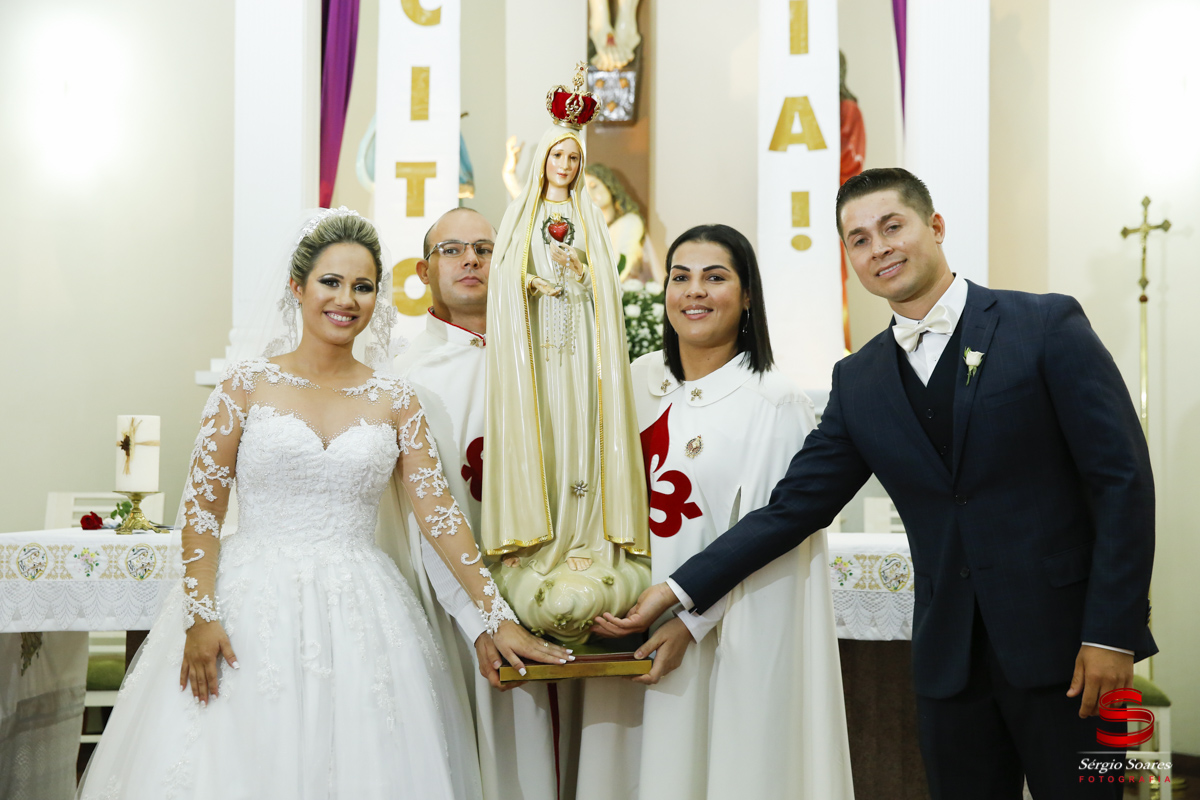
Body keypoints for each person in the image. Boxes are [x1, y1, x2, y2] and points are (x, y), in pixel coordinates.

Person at [602, 169, 1156, 799]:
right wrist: (674, 590)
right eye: (859, 239)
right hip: (950, 664)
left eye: (893, 226)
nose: (880, 248)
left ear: (936, 227)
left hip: (1069, 651)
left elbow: (1122, 481)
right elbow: (793, 508)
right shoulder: (860, 380)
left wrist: (1109, 632)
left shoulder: (1044, 326)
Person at [77, 208, 571, 799]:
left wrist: (495, 615)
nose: (347, 299)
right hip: (248, 606)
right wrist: (201, 615)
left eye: (362, 286)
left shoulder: (396, 400)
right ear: (297, 288)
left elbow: (440, 517)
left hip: (362, 611)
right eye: (330, 282)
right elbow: (201, 514)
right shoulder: (245, 386)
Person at [583, 223, 853, 799]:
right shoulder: (634, 382)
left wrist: (688, 623)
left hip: (716, 637)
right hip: (622, 627)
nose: (694, 292)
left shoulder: (774, 403)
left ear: (748, 294)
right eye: (680, 277)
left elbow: (772, 540)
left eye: (715, 277)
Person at [375, 206, 561, 800]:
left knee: (526, 751)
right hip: (442, 592)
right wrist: (477, 614)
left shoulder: (548, 361)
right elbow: (413, 510)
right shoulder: (404, 373)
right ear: (425, 271)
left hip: (540, 582)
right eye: (452, 250)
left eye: (484, 248)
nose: (471, 260)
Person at [482, 69, 649, 642]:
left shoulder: (592, 219)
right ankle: (541, 543)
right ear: (544, 160)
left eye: (574, 160)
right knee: (547, 434)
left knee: (582, 430)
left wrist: (584, 276)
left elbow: (605, 277)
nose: (566, 167)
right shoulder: (520, 216)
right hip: (538, 353)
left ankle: (583, 540)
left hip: (581, 351)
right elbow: (503, 276)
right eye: (559, 157)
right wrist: (526, 286)